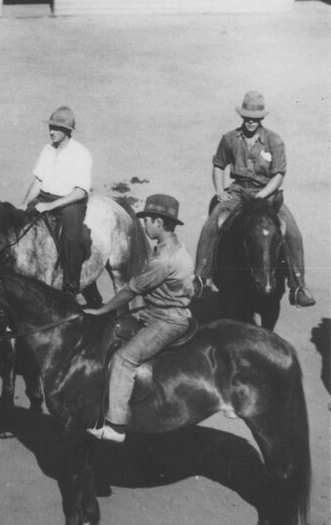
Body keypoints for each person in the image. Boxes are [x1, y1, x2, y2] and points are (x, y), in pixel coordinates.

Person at [84, 194, 194, 443]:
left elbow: (130, 290)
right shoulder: (175, 247)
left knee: (124, 359)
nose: (144, 226)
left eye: (147, 221)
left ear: (158, 222)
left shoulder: (164, 259)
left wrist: (101, 310)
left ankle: (116, 426)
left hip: (165, 321)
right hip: (161, 312)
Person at [193, 91, 314, 307]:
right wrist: (220, 190)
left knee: (292, 231)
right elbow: (219, 165)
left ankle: (298, 287)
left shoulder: (274, 141)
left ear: (261, 119)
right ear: (242, 117)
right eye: (247, 117)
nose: (250, 122)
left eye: (255, 119)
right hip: (239, 191)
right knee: (213, 222)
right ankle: (200, 278)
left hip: (267, 193)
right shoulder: (229, 138)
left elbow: (278, 174)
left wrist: (264, 194)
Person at [21, 106, 92, 299]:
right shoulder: (47, 149)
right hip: (45, 197)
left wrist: (50, 206)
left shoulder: (81, 153)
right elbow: (38, 181)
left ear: (67, 131)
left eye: (56, 128)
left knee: (71, 238)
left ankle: (70, 287)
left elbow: (80, 192)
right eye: (50, 127)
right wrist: (25, 203)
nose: (51, 132)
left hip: (70, 202)